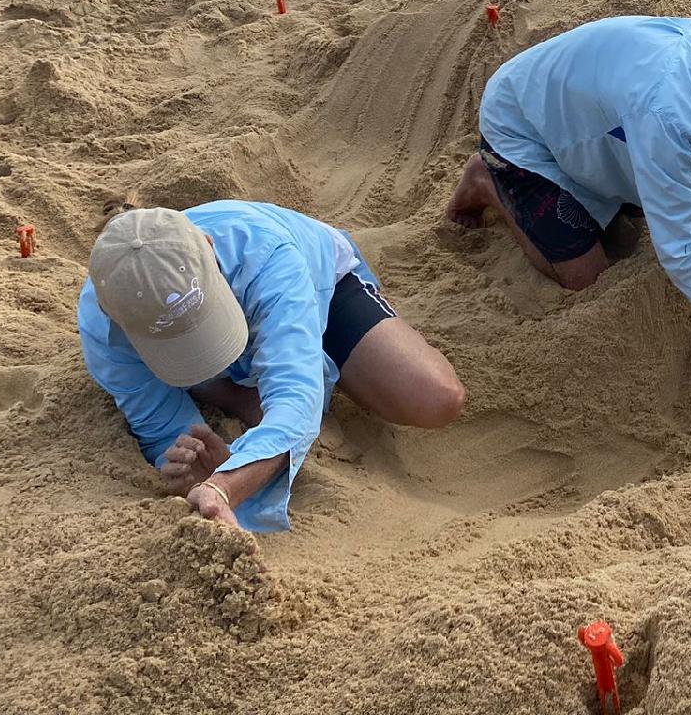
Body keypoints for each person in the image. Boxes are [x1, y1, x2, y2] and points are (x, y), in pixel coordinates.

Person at [446, 15, 691, 418]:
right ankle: (486, 179)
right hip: (523, 126)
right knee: (588, 278)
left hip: (596, 124)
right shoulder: (669, 114)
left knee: (646, 213)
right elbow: (683, 251)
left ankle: (586, 190)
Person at [79, 199, 465, 532]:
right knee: (264, 420)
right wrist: (193, 470)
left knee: (436, 398)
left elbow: (296, 401)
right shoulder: (102, 328)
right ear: (110, 314)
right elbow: (164, 431)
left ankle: (217, 384)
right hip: (230, 328)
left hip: (319, 290)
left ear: (210, 248)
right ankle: (216, 384)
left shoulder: (266, 255)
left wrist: (225, 486)